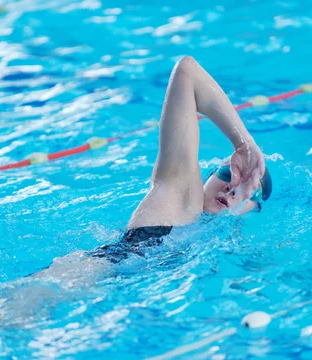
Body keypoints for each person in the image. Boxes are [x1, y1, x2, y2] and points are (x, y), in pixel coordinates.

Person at [36, 56, 272, 281]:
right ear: (207, 177)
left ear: (253, 209)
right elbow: (186, 71)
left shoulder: (214, 241)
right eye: (227, 174)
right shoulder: (179, 199)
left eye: (249, 189)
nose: (233, 188)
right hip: (64, 285)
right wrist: (244, 144)